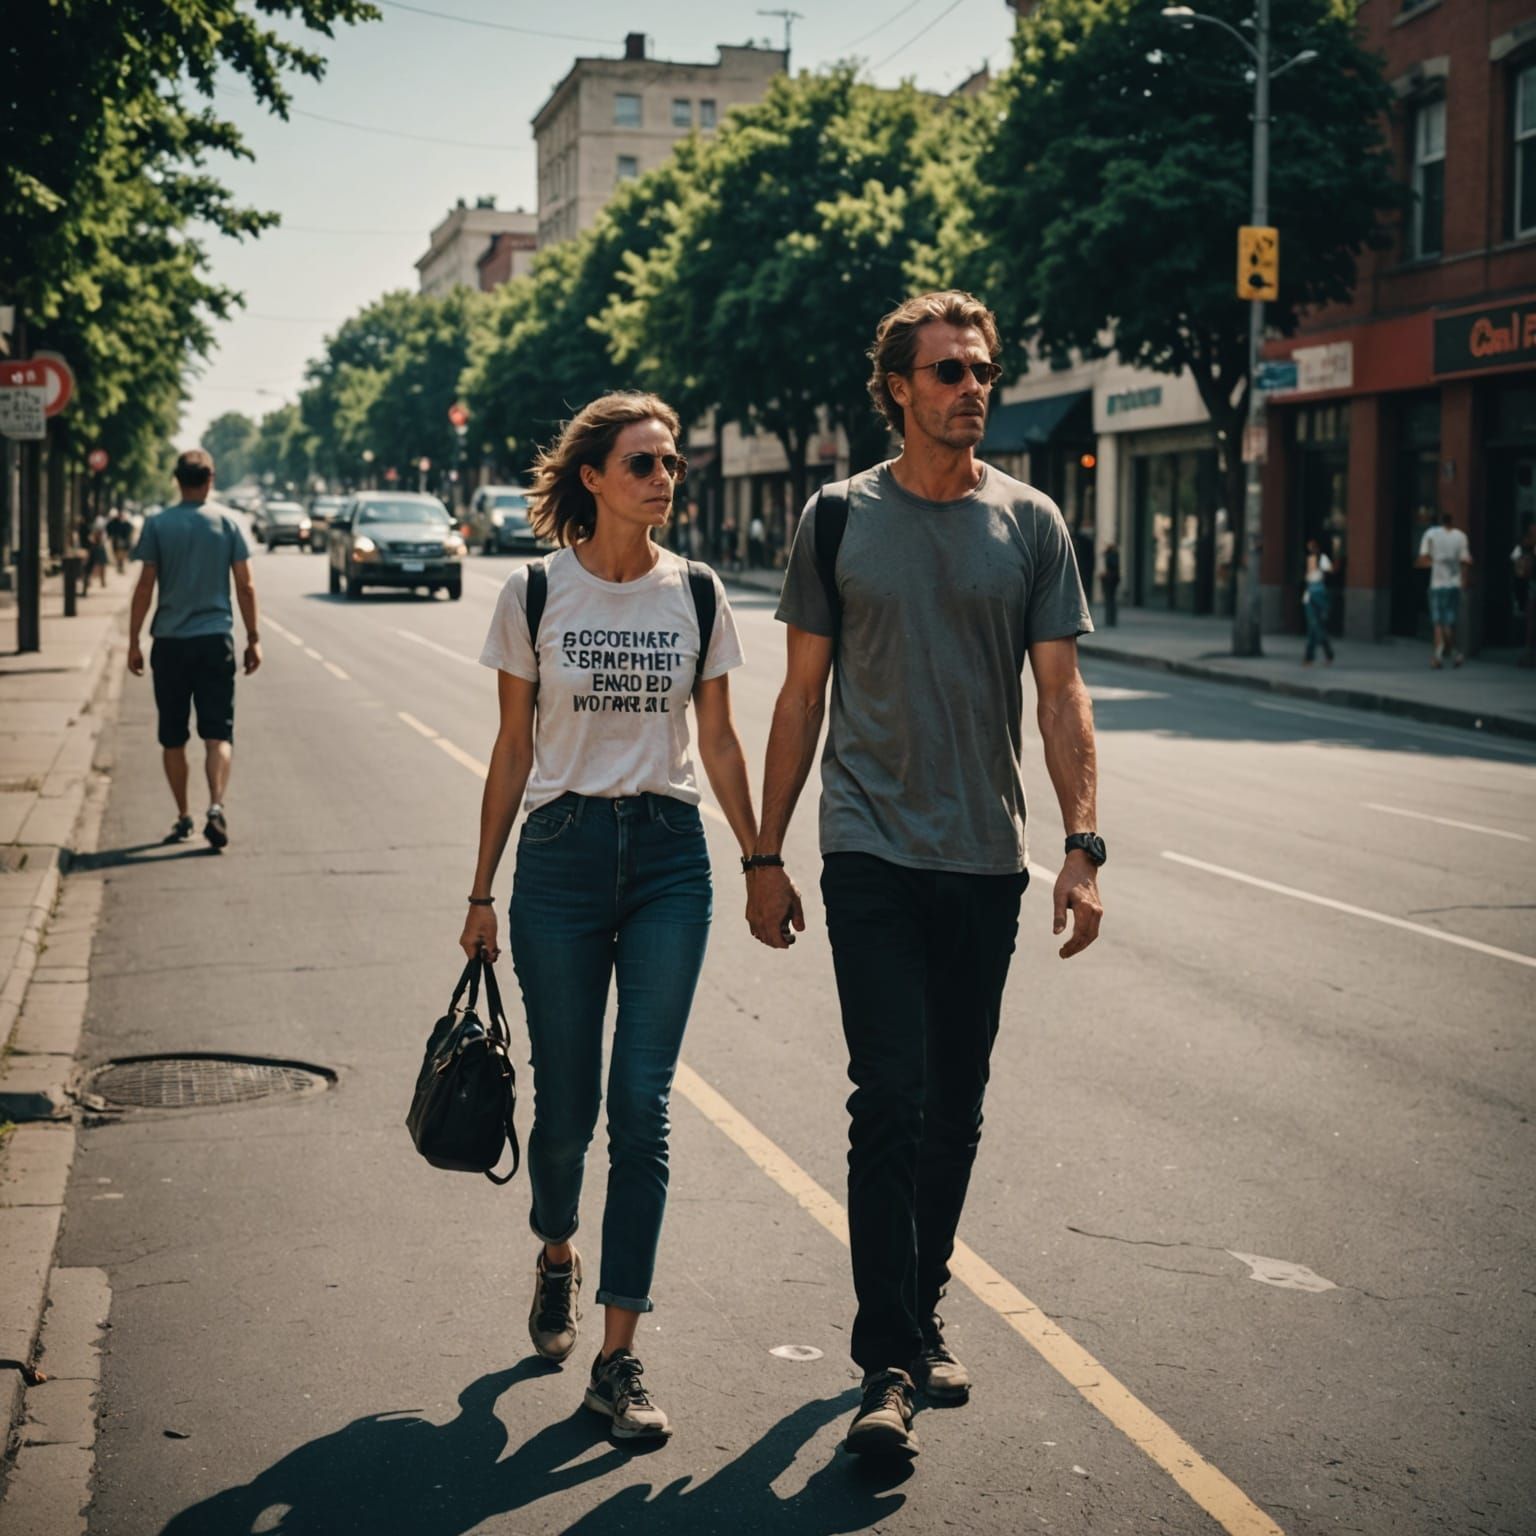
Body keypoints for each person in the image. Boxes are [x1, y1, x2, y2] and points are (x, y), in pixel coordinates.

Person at [746, 291, 1104, 1461]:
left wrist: (1083, 846)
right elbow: (800, 698)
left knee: (955, 1108)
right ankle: (885, 1365)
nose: (971, 386)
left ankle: (925, 1303)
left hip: (986, 858)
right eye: (947, 370)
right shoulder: (837, 519)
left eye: (981, 368)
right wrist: (764, 851)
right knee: (886, 1102)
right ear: (898, 387)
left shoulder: (1032, 521)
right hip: (869, 852)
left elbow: (1060, 698)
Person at [460, 391, 759, 1446]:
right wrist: (481, 891)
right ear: (594, 477)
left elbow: (717, 741)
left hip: (672, 858)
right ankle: (555, 1250)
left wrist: (762, 854)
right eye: (644, 462)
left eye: (672, 462)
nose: (665, 477)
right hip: (561, 860)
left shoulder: (703, 592)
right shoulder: (536, 593)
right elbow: (510, 750)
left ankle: (618, 1357)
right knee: (567, 1107)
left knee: (644, 1107)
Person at [127, 449, 261, 849]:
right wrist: (253, 638)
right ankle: (216, 807)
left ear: (176, 479)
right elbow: (245, 585)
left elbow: (145, 585)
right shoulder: (227, 523)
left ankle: (183, 814)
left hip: (168, 642)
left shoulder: (157, 524)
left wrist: (133, 640)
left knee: (173, 735)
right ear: (211, 478)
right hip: (214, 639)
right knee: (218, 732)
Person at [1416, 509, 1472, 668]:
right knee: (1448, 621)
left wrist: (1429, 563)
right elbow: (1466, 560)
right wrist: (1464, 579)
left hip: (1437, 583)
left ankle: (1439, 655)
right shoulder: (1460, 536)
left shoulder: (1431, 534)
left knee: (1438, 622)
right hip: (1454, 584)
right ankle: (1453, 653)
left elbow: (1423, 558)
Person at [1301, 537, 1334, 666]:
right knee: (1313, 625)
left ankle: (1320, 654)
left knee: (1316, 625)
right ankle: (1319, 655)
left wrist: (1321, 566)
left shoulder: (1322, 558)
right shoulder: (1307, 559)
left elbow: (1330, 570)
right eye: (1309, 546)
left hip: (1319, 594)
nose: (1311, 549)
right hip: (1309, 595)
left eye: (1313, 546)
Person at [1510, 521, 1535, 668]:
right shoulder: (1524, 548)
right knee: (1531, 622)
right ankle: (1529, 653)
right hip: (1531, 589)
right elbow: (1518, 570)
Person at [107, 507, 134, 575]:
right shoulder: (116, 522)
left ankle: (120, 566)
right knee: (118, 555)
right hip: (118, 541)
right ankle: (120, 566)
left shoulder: (124, 523)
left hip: (121, 542)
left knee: (120, 555)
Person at [1100, 541, 1121, 627]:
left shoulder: (1111, 556)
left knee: (1109, 599)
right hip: (1113, 579)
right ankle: (1110, 620)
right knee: (1111, 599)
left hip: (1110, 579)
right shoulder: (1114, 555)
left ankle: (1110, 620)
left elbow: (1112, 566)